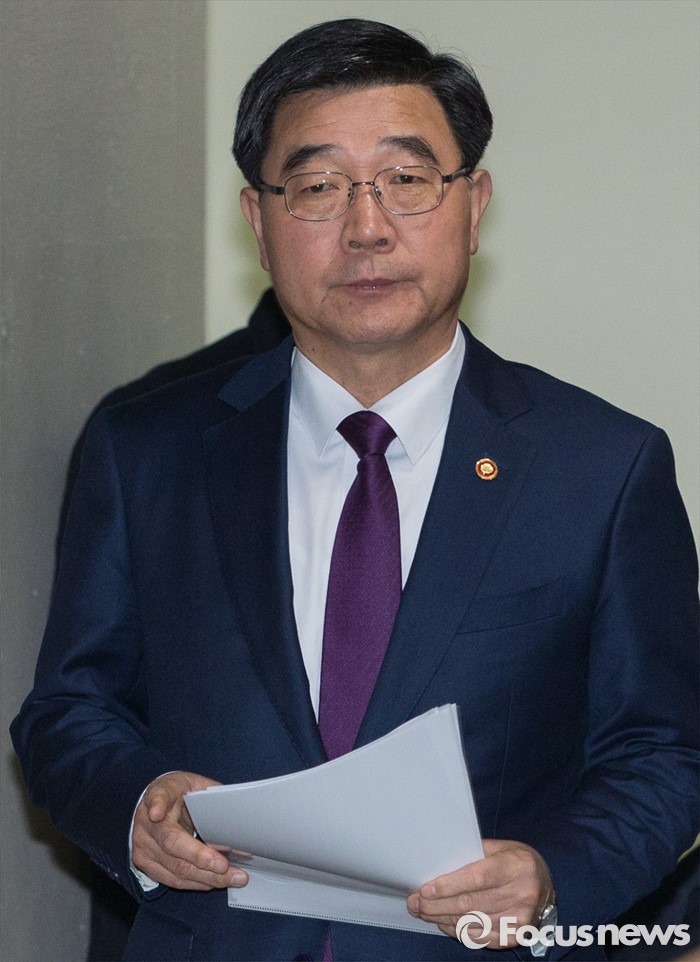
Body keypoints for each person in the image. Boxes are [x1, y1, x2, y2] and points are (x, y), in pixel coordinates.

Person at [11, 18, 699, 962]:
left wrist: (553, 876)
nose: (366, 227)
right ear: (258, 222)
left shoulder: (603, 467)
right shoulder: (147, 452)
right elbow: (66, 713)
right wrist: (136, 807)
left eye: (407, 180)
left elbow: (664, 751)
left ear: (474, 205)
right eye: (318, 187)